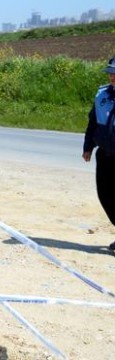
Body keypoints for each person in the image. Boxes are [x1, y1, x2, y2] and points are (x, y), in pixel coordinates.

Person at [82, 56, 115, 252]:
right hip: (105, 155)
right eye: (111, 73)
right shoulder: (101, 96)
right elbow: (93, 123)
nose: (112, 77)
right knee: (106, 196)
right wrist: (88, 146)